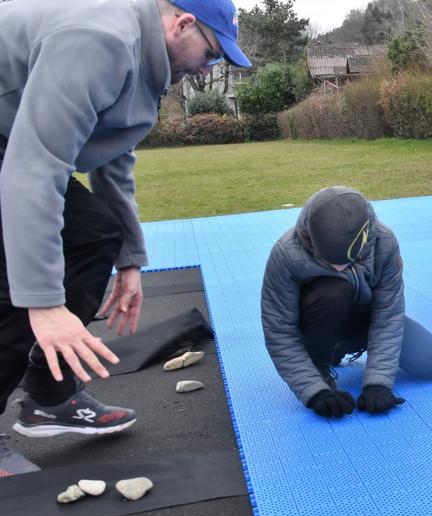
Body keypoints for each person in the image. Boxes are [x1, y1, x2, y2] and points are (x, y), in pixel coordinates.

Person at [0, 0, 250, 476]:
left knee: (94, 234)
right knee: (14, 281)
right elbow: (35, 170)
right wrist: (45, 304)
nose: (208, 67)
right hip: (16, 149)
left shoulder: (143, 62)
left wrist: (129, 260)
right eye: (212, 53)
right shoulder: (102, 40)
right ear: (184, 24)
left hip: (11, 140)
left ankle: (49, 397)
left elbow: (110, 158)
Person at [261, 186, 432, 419]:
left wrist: (378, 382)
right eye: (330, 263)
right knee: (334, 291)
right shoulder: (287, 253)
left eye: (352, 260)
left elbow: (388, 315)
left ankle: (343, 347)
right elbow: (279, 330)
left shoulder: (384, 242)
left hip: (363, 320)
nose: (341, 269)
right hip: (319, 320)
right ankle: (320, 363)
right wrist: (313, 391)